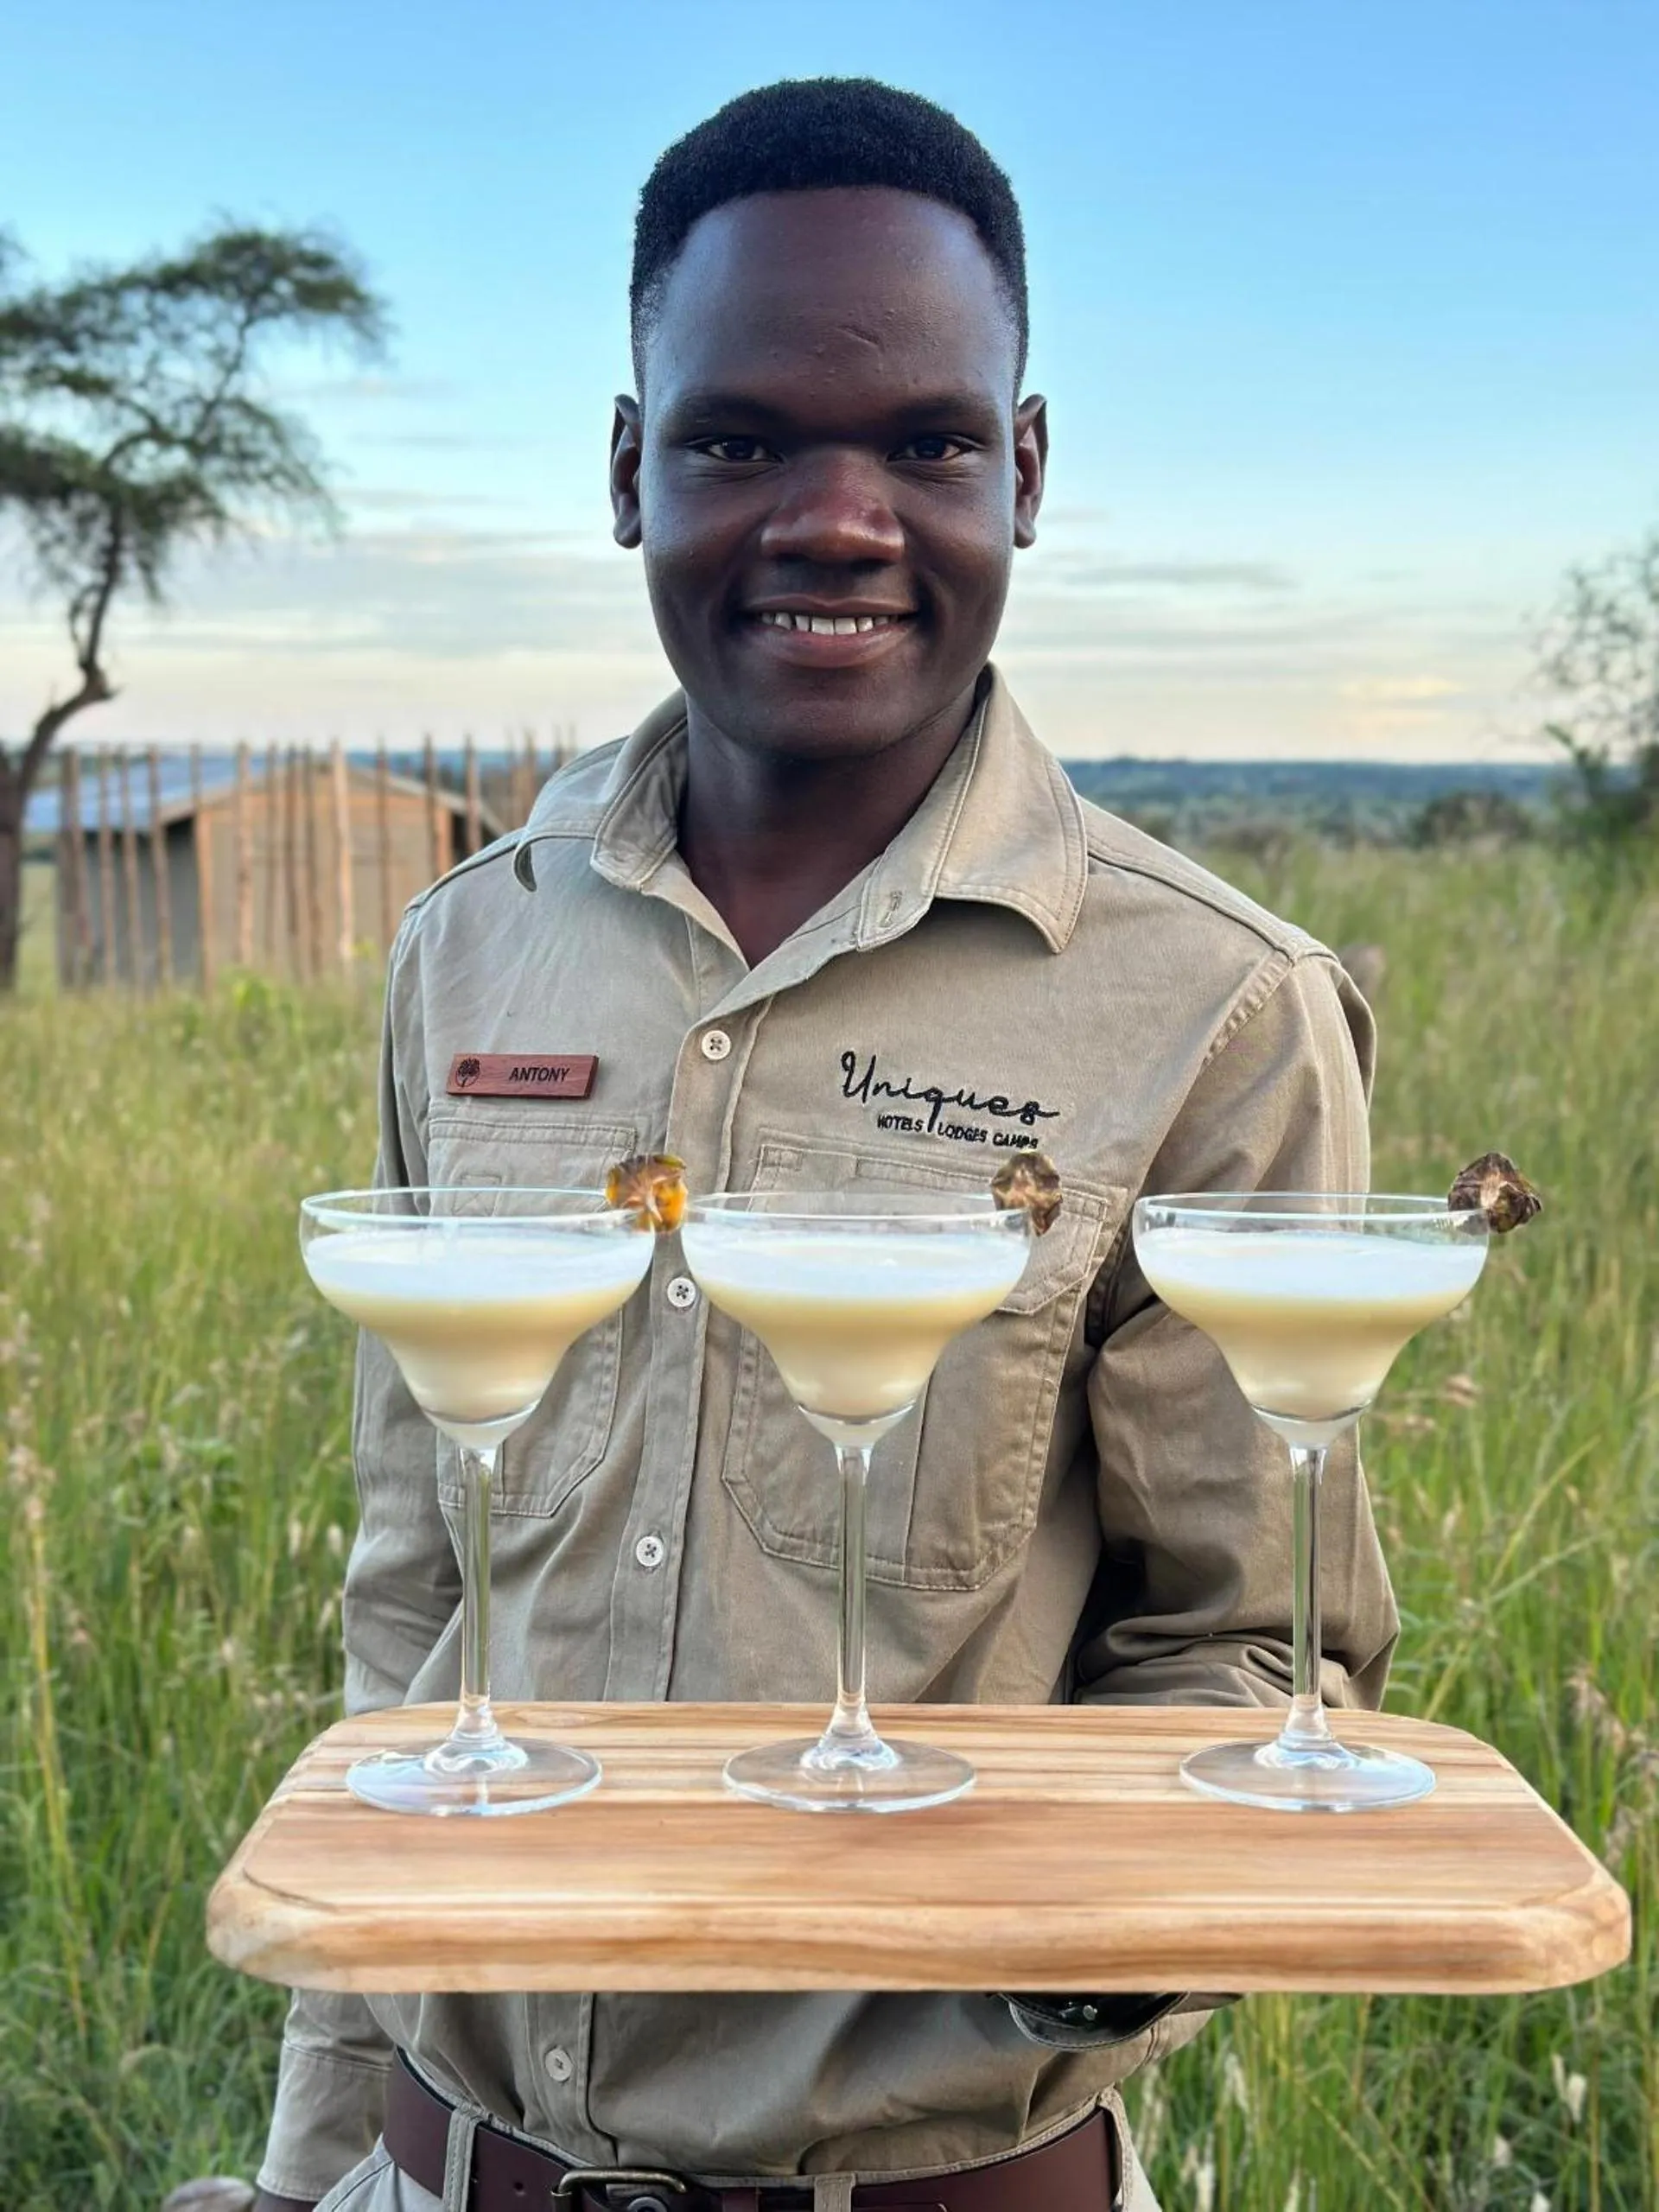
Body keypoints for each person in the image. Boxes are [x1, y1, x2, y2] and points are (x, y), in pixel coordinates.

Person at [254, 76, 1395, 2212]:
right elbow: (416, 1612)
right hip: (440, 2172)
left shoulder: (1217, 1006)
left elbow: (1259, 1639)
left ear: (1026, 471)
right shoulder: (467, 954)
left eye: (931, 444)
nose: (840, 515)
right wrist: (316, 2160)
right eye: (744, 438)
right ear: (630, 470)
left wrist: (1066, 1962)